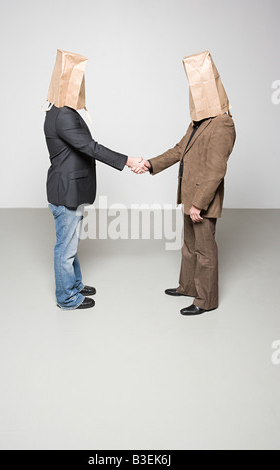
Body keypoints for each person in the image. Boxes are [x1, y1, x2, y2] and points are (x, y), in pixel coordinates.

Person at [44, 50, 149, 311]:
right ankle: (66, 298)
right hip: (66, 190)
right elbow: (90, 147)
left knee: (71, 243)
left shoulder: (59, 111)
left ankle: (74, 285)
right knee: (65, 248)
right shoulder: (63, 115)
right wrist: (128, 160)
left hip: (71, 189)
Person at [135, 51, 236, 316]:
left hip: (201, 200)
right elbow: (179, 150)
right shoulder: (198, 121)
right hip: (189, 196)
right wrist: (150, 164)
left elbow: (216, 170)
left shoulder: (222, 124)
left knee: (204, 250)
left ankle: (206, 300)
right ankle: (187, 286)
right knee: (189, 246)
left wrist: (199, 204)